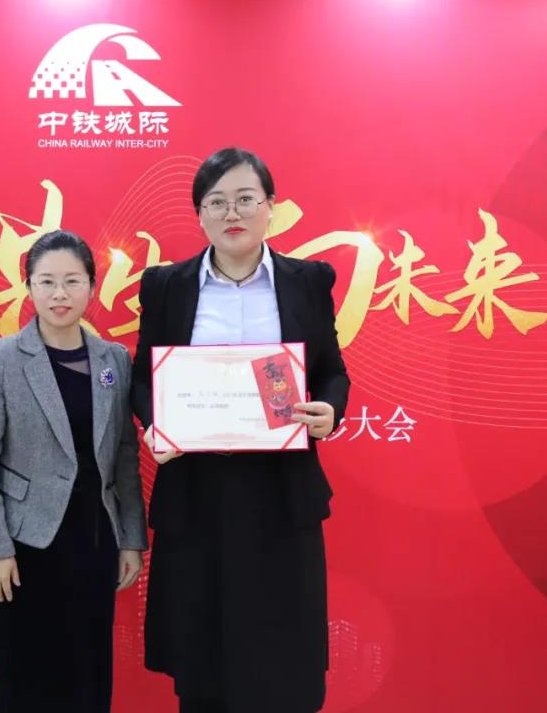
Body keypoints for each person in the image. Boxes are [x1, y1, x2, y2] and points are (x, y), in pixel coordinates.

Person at [131, 148, 350, 713]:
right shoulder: (167, 286)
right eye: (217, 202)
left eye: (246, 199)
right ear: (199, 214)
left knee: (284, 659)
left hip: (282, 491)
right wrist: (156, 425)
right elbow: (142, 380)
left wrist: (329, 410)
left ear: (270, 206)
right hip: (198, 492)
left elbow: (332, 372)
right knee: (203, 655)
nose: (233, 213)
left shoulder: (308, 281)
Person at [0, 229, 149, 713]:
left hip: (94, 542)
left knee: (88, 676)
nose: (59, 294)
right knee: (26, 679)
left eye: (72, 281)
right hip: (24, 549)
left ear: (91, 286)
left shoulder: (113, 360)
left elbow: (125, 454)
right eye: (46, 282)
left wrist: (131, 539)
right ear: (29, 287)